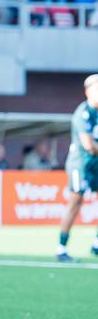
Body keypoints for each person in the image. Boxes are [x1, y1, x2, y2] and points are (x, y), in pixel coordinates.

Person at [57, 74, 98, 262]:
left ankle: (96, 244)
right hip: (80, 163)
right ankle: (61, 248)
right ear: (88, 91)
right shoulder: (83, 113)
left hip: (96, 163)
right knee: (75, 202)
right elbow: (88, 145)